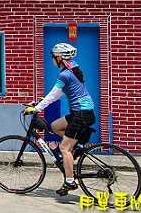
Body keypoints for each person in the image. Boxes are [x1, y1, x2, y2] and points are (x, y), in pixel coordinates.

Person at [24, 43, 96, 196]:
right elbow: (56, 94)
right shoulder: (73, 68)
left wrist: (36, 109)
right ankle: (77, 147)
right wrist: (39, 103)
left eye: (53, 57)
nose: (52, 60)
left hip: (80, 114)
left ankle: (69, 181)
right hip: (84, 112)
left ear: (58, 58)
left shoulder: (64, 74)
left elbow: (53, 95)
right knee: (55, 126)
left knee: (64, 148)